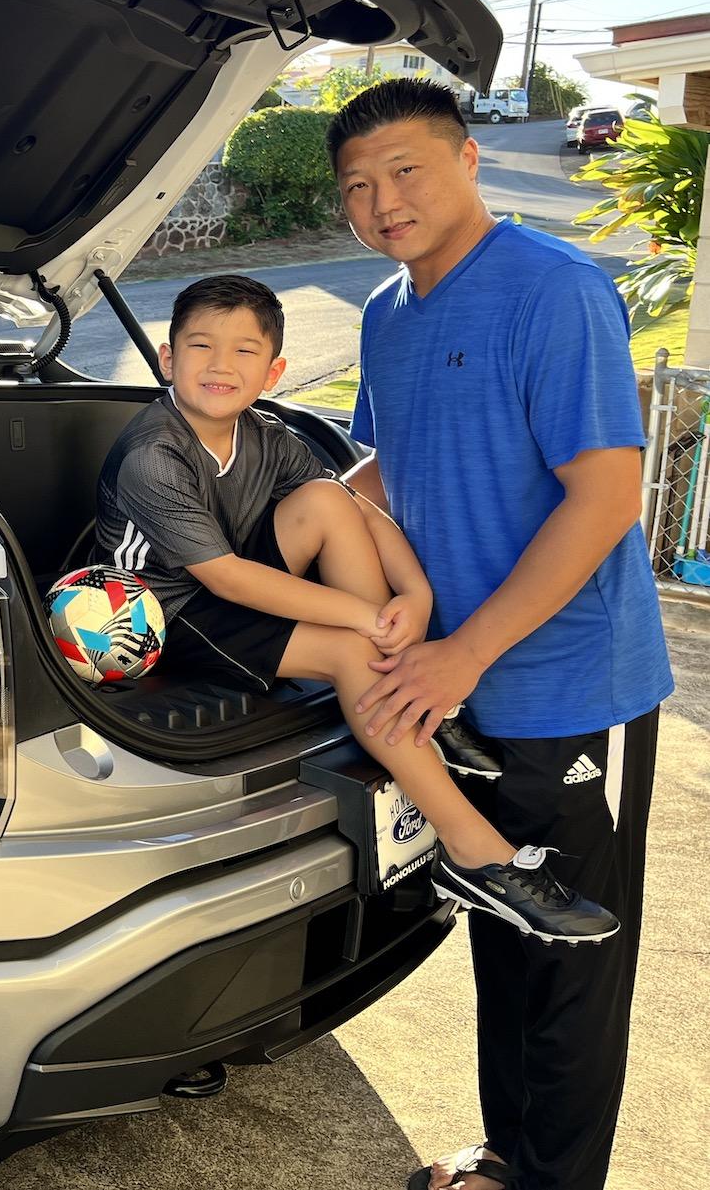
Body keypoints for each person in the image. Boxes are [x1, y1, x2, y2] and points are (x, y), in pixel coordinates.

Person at [328, 78, 671, 1190]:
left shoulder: (550, 290)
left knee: (575, 957)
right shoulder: (387, 312)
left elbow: (606, 498)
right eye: (358, 186)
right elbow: (380, 468)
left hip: (570, 685)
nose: (383, 201)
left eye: (404, 171)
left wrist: (465, 650)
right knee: (505, 925)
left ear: (468, 160)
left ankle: (549, 1179)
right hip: (454, 688)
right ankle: (507, 1159)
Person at [92, 273, 615, 942]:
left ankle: (402, 693)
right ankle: (474, 851)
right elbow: (226, 580)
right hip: (167, 613)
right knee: (350, 648)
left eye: (244, 351)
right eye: (200, 346)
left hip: (235, 578)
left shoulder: (264, 433)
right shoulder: (153, 455)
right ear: (168, 358)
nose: (221, 365)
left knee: (329, 500)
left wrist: (414, 596)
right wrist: (366, 618)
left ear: (274, 368)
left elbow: (358, 507)